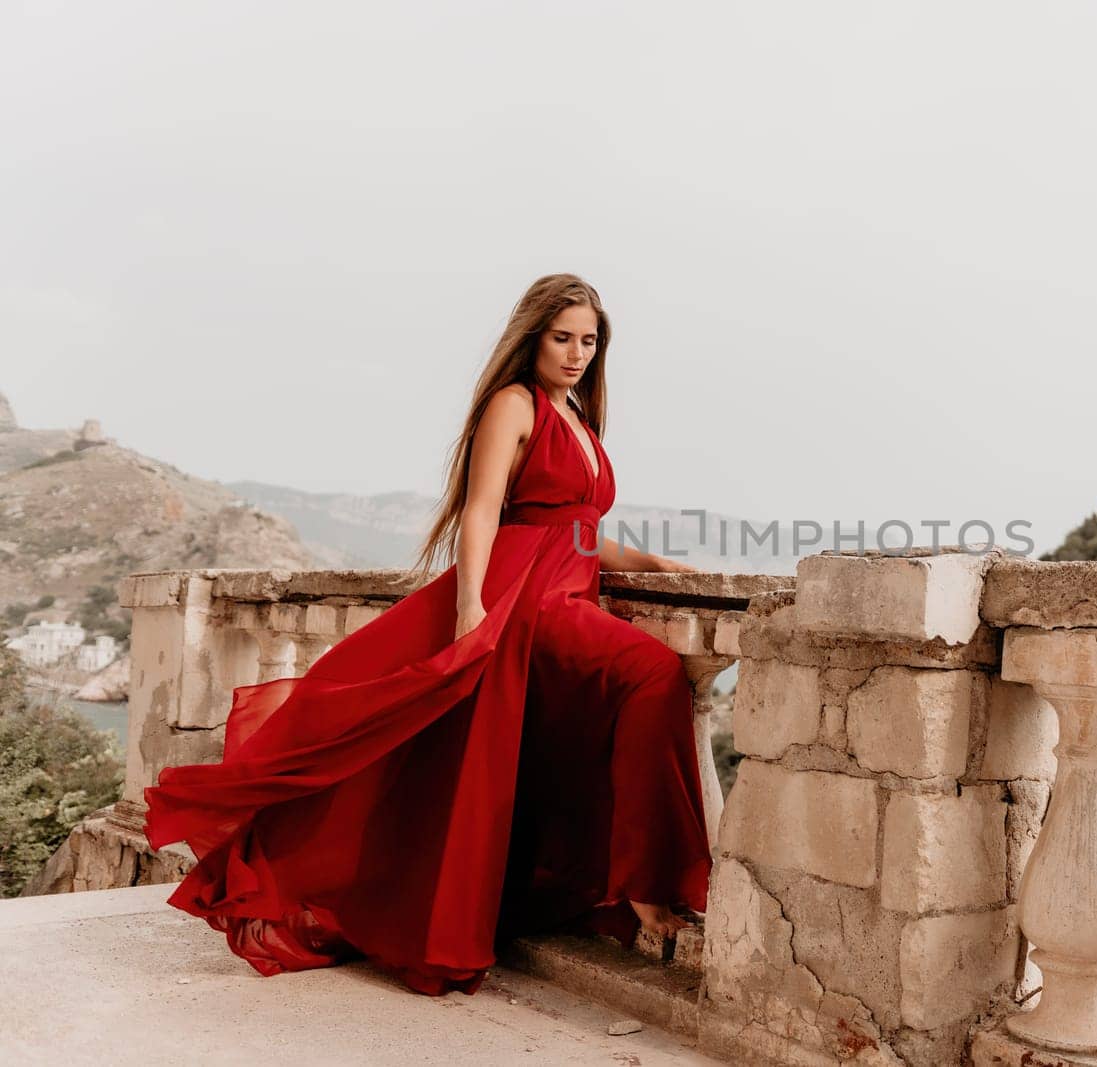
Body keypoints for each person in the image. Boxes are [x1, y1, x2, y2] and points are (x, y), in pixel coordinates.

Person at [142, 273, 712, 996]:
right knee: (653, 673)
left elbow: (578, 528)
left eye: (588, 340)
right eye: (562, 337)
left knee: (579, 723)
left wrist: (653, 562)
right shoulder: (515, 404)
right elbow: (483, 513)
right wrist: (473, 607)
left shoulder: (578, 416)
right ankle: (644, 882)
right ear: (532, 336)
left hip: (567, 587)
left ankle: (626, 877)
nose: (575, 352)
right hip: (524, 598)